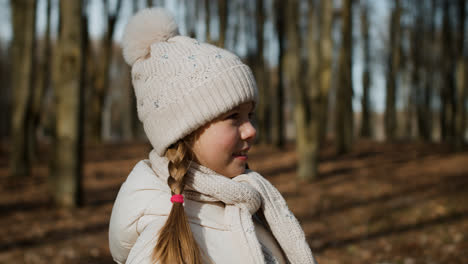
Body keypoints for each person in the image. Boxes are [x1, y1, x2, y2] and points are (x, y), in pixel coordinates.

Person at [108, 7, 317, 264]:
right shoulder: (161, 243)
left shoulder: (246, 204)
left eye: (250, 115)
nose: (251, 130)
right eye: (232, 116)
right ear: (184, 130)